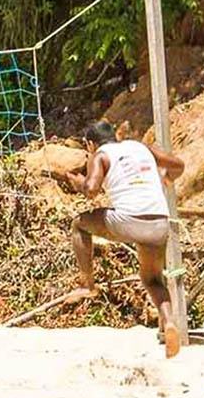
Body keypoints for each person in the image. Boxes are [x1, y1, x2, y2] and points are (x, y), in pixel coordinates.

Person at [64, 120, 186, 358]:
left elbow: (91, 190)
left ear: (90, 143)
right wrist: (166, 180)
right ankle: (170, 322)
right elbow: (179, 166)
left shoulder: (100, 155)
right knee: (152, 279)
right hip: (160, 224)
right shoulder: (141, 147)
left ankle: (87, 284)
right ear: (115, 136)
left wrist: (78, 183)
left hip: (129, 221)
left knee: (79, 224)